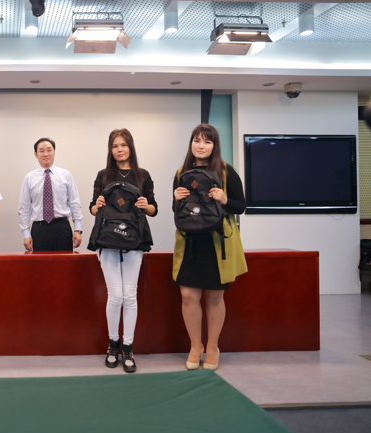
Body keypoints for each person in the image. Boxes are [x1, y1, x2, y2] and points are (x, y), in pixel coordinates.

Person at [172, 123, 247, 371]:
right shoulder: (182, 173)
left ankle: (213, 347)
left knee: (214, 297)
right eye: (197, 140)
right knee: (188, 295)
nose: (201, 146)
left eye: (207, 141)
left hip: (217, 242)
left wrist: (225, 199)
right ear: (191, 143)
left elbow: (240, 206)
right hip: (190, 241)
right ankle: (196, 345)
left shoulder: (226, 171)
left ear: (214, 146)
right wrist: (176, 200)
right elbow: (178, 211)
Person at [90, 128, 158, 373]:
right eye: (115, 146)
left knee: (130, 294)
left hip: (134, 241)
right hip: (107, 240)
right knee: (115, 295)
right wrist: (97, 205)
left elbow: (154, 209)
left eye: (123, 145)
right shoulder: (103, 175)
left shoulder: (142, 175)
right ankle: (113, 345)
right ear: (110, 150)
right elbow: (93, 208)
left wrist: (146, 205)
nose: (119, 150)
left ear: (131, 147)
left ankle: (128, 348)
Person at [18, 138, 83, 251]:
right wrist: (26, 234)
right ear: (36, 154)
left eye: (49, 150)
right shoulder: (29, 178)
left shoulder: (65, 175)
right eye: (41, 151)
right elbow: (24, 208)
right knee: (41, 262)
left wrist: (77, 229)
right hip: (39, 229)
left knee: (64, 262)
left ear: (54, 152)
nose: (45, 154)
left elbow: (75, 204)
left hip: (62, 228)